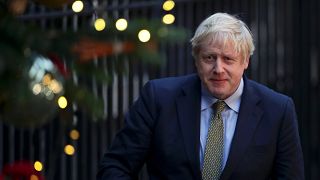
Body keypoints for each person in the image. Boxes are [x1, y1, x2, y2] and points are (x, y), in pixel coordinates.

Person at [97, 12, 305, 180]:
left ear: (245, 62)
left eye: (228, 59)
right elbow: (115, 168)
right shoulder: (158, 98)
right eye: (209, 58)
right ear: (196, 59)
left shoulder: (277, 110)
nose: (218, 68)